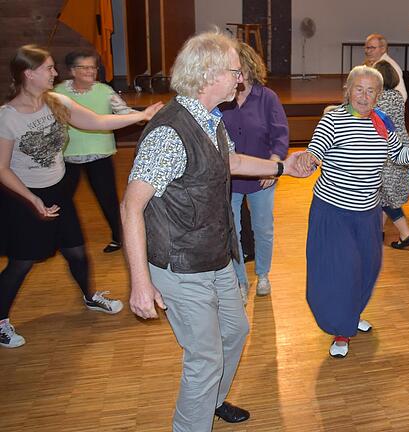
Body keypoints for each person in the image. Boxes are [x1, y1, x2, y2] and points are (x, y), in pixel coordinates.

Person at [121, 31, 313, 431]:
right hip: (180, 265)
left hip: (216, 253)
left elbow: (231, 161)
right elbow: (131, 207)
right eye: (234, 72)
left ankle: (211, 399)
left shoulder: (209, 119)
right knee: (204, 357)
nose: (240, 80)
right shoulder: (169, 133)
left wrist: (283, 168)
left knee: (236, 328)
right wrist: (140, 282)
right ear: (209, 74)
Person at [0, 45, 161, 348]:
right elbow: (2, 169)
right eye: (48, 68)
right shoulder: (7, 118)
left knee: (76, 250)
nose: (55, 73)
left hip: (57, 191)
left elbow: (98, 122)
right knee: (22, 262)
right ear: (28, 74)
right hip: (23, 197)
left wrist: (142, 115)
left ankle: (89, 297)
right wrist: (33, 200)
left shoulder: (56, 102)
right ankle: (0, 321)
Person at [302, 65, 409, 358]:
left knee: (368, 268)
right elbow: (317, 151)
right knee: (345, 271)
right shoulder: (333, 120)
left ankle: (351, 315)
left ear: (378, 96)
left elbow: (399, 155)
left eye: (370, 91)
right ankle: (341, 330)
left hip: (368, 212)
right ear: (348, 92)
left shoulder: (381, 121)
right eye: (358, 89)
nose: (364, 96)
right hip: (333, 211)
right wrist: (307, 161)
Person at [220, 42, 289, 300]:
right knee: (232, 230)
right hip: (231, 178)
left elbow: (280, 135)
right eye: (231, 70)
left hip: (262, 177)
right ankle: (239, 280)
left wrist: (272, 167)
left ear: (250, 67)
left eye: (239, 69)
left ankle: (263, 275)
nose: (236, 75)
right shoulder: (223, 99)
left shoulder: (267, 97)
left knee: (263, 229)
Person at [54, 49, 138, 253]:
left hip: (100, 153)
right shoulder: (58, 93)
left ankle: (119, 237)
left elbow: (125, 113)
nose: (91, 71)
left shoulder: (105, 91)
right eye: (85, 67)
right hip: (67, 155)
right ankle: (56, 237)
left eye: (93, 67)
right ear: (72, 70)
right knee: (59, 201)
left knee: (107, 198)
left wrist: (147, 115)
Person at [372, 60, 409, 249]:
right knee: (384, 194)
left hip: (387, 150)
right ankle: (378, 234)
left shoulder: (377, 98)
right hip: (402, 146)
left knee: (384, 195)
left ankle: (406, 234)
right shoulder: (398, 96)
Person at [364, 33, 407, 101]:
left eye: (372, 48)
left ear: (383, 49)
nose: (368, 51)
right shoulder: (371, 64)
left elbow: (402, 95)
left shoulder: (389, 66)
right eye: (367, 48)